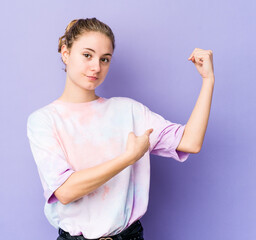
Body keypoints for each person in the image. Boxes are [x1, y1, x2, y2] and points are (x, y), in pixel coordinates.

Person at [27, 17, 215, 240]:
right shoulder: (44, 120)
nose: (96, 67)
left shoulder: (129, 111)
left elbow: (190, 142)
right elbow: (65, 191)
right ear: (65, 53)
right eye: (87, 55)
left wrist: (208, 80)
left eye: (105, 59)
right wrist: (128, 157)